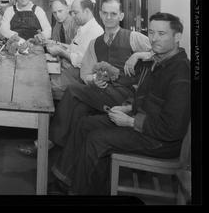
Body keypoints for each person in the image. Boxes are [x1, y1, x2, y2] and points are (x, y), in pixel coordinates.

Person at [49, 12, 190, 195]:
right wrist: (128, 108)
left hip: (160, 140)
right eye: (152, 33)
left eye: (161, 34)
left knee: (97, 139)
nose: (154, 39)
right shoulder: (156, 61)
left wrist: (130, 121)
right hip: (143, 121)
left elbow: (172, 128)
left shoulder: (181, 73)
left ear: (177, 37)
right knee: (85, 124)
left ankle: (79, 190)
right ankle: (64, 179)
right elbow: (147, 99)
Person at [17, 0, 151, 157]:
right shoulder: (95, 43)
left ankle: (49, 142)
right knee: (78, 108)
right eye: (105, 13)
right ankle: (65, 158)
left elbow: (161, 52)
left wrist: (139, 54)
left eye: (113, 14)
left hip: (127, 98)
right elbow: (85, 74)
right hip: (104, 94)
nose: (109, 17)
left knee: (73, 91)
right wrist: (94, 79)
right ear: (100, 14)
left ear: (121, 16)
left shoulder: (133, 37)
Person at [46, 0, 103, 100]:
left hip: (81, 76)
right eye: (72, 13)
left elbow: (80, 61)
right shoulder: (83, 28)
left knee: (46, 87)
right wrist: (56, 44)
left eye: (75, 13)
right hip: (71, 70)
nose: (72, 16)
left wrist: (61, 52)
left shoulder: (93, 31)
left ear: (86, 11)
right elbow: (73, 48)